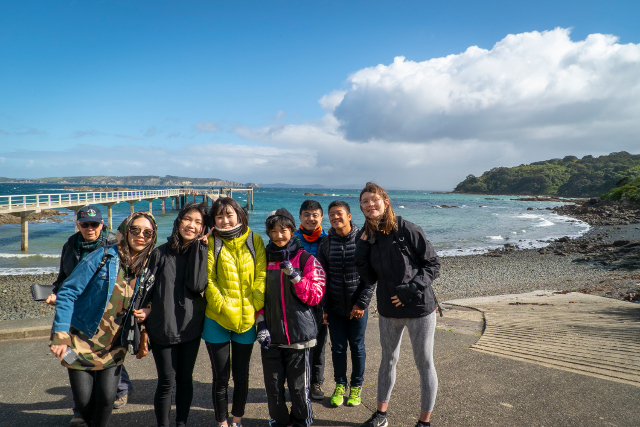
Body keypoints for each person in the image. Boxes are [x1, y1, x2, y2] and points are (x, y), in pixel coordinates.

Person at [50, 211, 157, 427]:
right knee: (83, 401)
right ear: (126, 231)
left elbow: (158, 296)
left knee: (108, 398)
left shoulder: (149, 266)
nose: (141, 236)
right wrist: (60, 334)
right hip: (77, 341)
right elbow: (68, 291)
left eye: (147, 232)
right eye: (135, 230)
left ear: (153, 237)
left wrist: (149, 309)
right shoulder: (103, 256)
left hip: (115, 345)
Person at [354, 183, 441, 427]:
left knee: (424, 363)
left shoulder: (406, 229)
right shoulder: (368, 236)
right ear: (361, 207)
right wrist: (361, 248)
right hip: (388, 310)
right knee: (387, 361)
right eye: (364, 201)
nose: (370, 205)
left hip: (418, 309)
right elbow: (369, 277)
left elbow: (433, 264)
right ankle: (381, 415)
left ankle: (424, 422)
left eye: (374, 199)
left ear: (386, 201)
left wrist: (412, 288)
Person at [138, 202, 209, 427]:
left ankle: (181, 422)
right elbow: (144, 290)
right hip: (163, 326)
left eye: (198, 222)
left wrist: (200, 249)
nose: (192, 225)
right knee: (167, 381)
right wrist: (145, 314)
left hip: (191, 326)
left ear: (204, 228)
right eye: (188, 219)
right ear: (178, 221)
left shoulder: (203, 252)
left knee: (185, 379)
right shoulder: (159, 253)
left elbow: (197, 285)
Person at [258, 208, 325, 427]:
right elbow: (256, 295)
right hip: (271, 336)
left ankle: (302, 421)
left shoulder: (306, 258)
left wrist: (296, 278)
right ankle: (278, 420)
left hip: (299, 335)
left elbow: (316, 295)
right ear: (268, 233)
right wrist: (260, 324)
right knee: (273, 386)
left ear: (293, 230)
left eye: (284, 230)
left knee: (298, 387)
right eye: (274, 231)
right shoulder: (262, 260)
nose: (279, 235)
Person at [203, 197, 266, 427]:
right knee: (220, 377)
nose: (225, 220)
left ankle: (237, 420)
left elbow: (261, 275)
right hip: (216, 318)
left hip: (247, 318)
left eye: (229, 214)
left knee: (241, 376)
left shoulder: (254, 239)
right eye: (219, 216)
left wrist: (252, 304)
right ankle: (222, 423)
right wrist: (221, 305)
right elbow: (208, 279)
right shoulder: (212, 242)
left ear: (239, 214)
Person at [317, 201, 375, 408]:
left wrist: (361, 304)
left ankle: (356, 386)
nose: (335, 217)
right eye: (331, 214)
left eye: (339, 214)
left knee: (357, 347)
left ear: (349, 216)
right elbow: (321, 277)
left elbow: (371, 276)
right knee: (338, 348)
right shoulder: (325, 242)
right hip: (334, 306)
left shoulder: (363, 239)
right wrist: (324, 307)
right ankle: (340, 385)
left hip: (357, 306)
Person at [293, 200, 328, 400]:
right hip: (296, 299)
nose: (311, 218)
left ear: (321, 218)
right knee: (297, 345)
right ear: (300, 217)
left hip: (320, 300)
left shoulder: (328, 239)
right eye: (307, 214)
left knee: (319, 344)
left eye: (315, 215)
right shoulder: (292, 239)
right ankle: (299, 383)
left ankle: (316, 383)